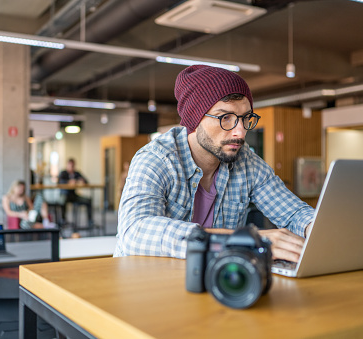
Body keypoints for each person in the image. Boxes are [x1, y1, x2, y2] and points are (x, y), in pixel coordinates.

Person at [115, 65, 314, 262]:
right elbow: (134, 232)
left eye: (245, 118)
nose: (240, 132)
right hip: (146, 282)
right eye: (225, 118)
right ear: (195, 118)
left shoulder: (246, 162)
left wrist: (314, 226)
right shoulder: (156, 159)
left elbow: (294, 213)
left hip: (215, 281)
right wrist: (243, 241)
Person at [58, 159, 93, 227]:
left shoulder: (76, 173)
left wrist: (82, 180)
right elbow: (59, 182)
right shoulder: (63, 173)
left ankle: (90, 221)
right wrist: (69, 182)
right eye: (70, 165)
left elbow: (86, 181)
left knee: (88, 200)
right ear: (67, 165)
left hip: (73, 195)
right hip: (65, 194)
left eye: (73, 166)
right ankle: (63, 220)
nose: (71, 167)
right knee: (62, 200)